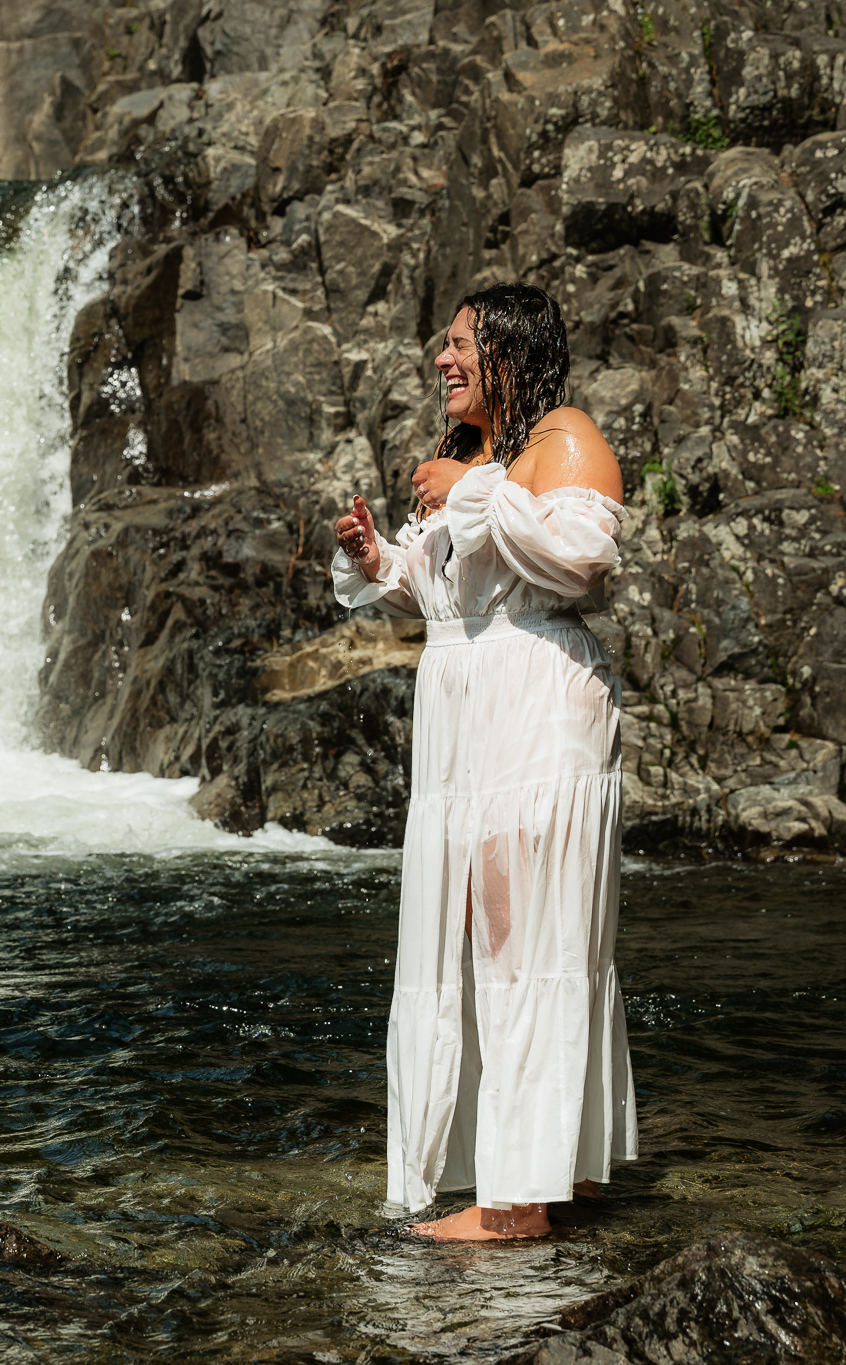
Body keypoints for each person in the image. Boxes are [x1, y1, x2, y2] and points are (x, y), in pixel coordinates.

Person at [332, 283, 636, 1241]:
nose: (442, 360)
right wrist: (380, 558)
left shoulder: (565, 441)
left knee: (522, 938)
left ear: (508, 349)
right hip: (469, 722)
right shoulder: (484, 461)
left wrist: (471, 493)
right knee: (491, 935)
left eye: (460, 344)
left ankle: (515, 1204)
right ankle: (556, 1168)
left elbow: (576, 561)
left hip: (538, 713)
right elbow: (446, 595)